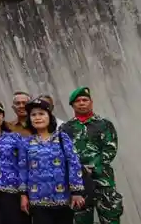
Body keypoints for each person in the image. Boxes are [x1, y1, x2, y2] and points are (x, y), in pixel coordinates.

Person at [61, 87, 123, 224]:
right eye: (77, 101)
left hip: (103, 180)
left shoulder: (104, 124)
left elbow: (110, 149)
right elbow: (63, 154)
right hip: (79, 183)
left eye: (85, 100)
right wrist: (81, 170)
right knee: (82, 219)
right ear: (72, 105)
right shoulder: (66, 128)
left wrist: (93, 166)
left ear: (91, 102)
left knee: (110, 217)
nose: (82, 103)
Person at [21, 98, 84, 224]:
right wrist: (23, 195)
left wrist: (76, 191)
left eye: (41, 114)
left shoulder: (62, 138)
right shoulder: (26, 142)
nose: (37, 117)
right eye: (33, 115)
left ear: (50, 116)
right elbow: (23, 169)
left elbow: (74, 163)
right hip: (37, 200)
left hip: (63, 199)